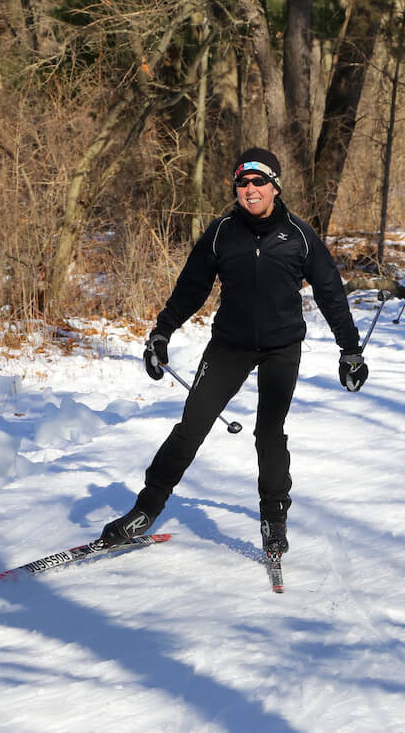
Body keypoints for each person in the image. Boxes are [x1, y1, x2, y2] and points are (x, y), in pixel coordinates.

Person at [97, 147, 369, 558]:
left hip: (281, 347)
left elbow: (330, 292)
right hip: (229, 344)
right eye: (242, 182)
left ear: (275, 186)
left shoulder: (298, 235)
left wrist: (350, 350)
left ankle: (274, 519)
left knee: (269, 433)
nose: (250, 189)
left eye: (259, 181)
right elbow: (191, 288)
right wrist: (161, 333)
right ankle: (144, 510)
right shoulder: (222, 232)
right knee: (192, 426)